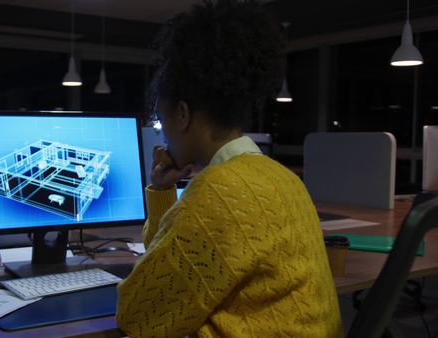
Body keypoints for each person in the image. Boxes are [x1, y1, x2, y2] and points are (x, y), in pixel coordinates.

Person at [115, 1, 342, 337]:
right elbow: (171, 263)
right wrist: (162, 191)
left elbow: (138, 315)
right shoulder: (279, 177)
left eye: (163, 124)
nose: (164, 138)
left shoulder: (219, 192)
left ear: (183, 114)